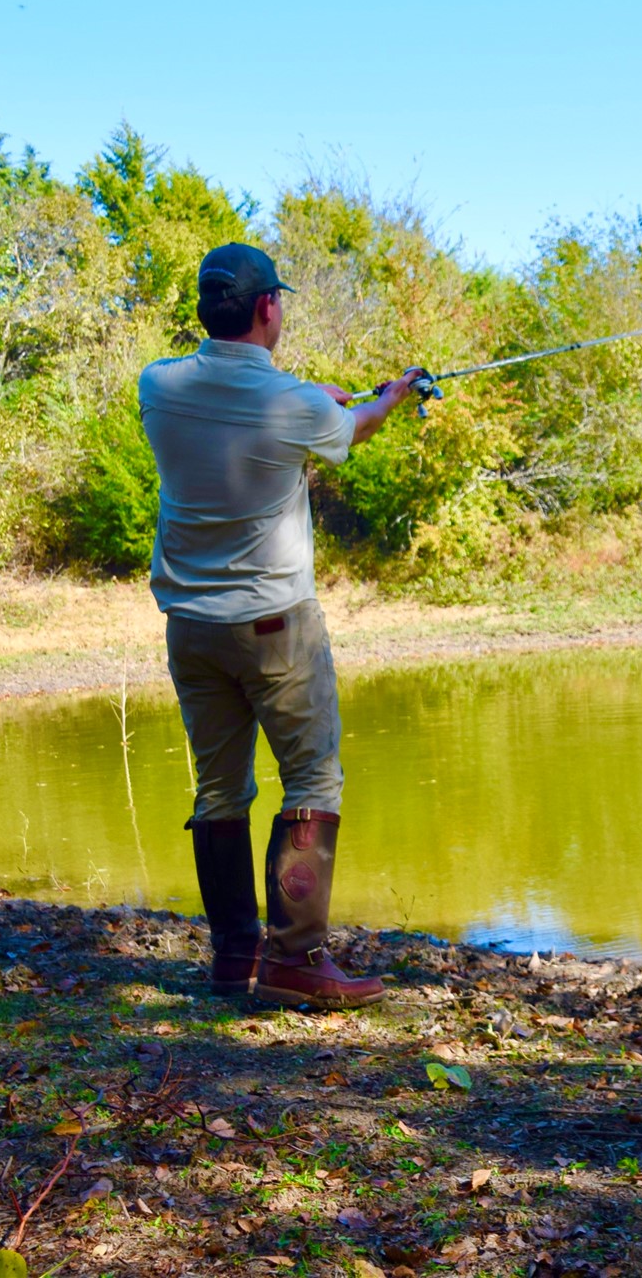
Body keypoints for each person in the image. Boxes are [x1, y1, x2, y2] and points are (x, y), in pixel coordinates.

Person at [140, 243, 425, 1009]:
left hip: (190, 628)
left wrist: (310, 401)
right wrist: (389, 398)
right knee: (311, 779)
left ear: (209, 308)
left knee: (218, 789)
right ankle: (296, 957)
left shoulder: (159, 386)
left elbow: (252, 423)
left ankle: (235, 959)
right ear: (269, 306)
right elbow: (349, 428)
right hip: (273, 628)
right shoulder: (297, 406)